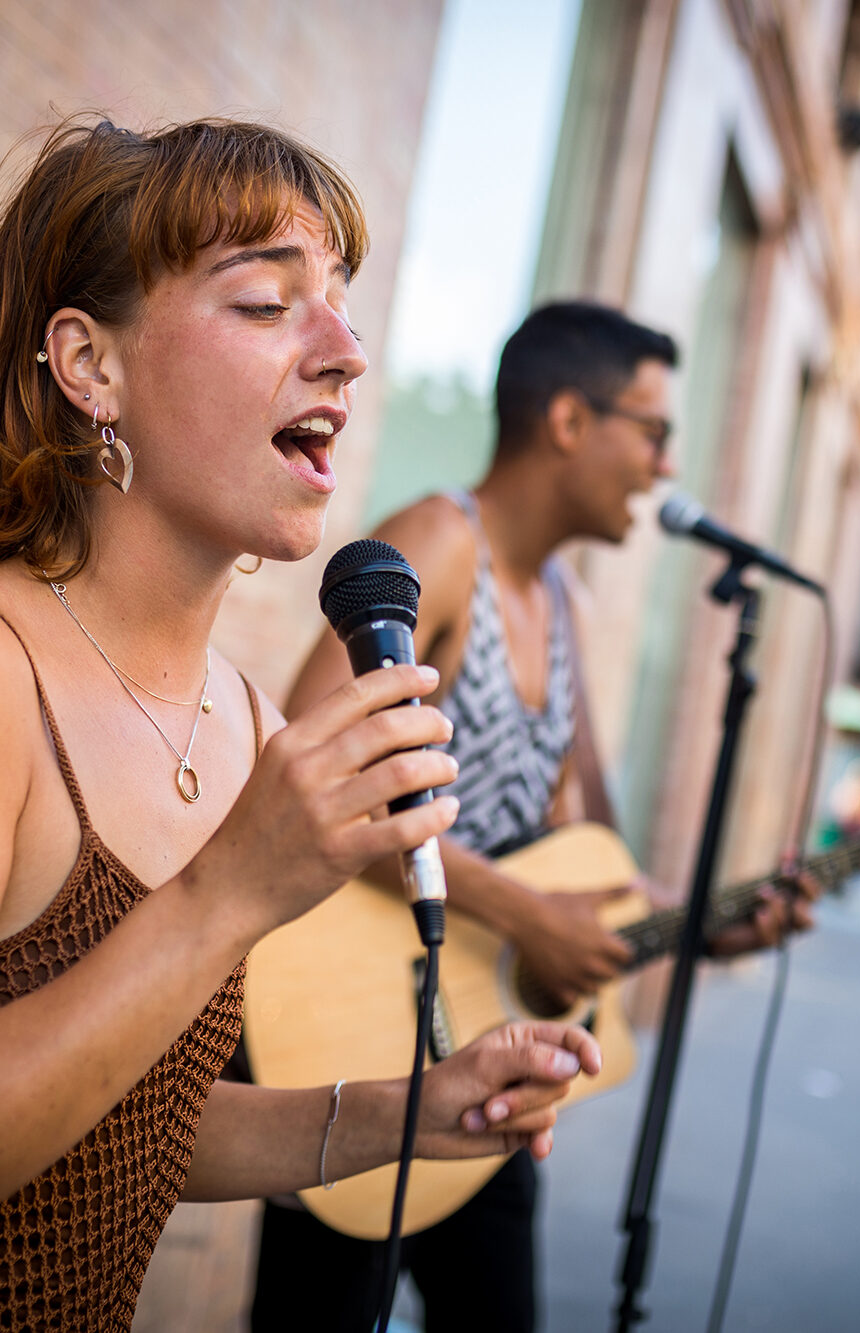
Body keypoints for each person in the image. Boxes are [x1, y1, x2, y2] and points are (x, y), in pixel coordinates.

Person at [0, 118, 604, 1331]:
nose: (343, 353)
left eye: (341, 308)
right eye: (269, 304)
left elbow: (132, 1119)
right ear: (90, 364)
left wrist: (412, 1111)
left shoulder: (248, 721)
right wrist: (227, 892)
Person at [277, 301, 819, 1332]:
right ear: (570, 420)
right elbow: (304, 780)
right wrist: (524, 915)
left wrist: (711, 921)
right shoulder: (438, 541)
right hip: (352, 1040)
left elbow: (595, 864)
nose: (666, 466)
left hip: (489, 1052)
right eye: (654, 432)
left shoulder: (562, 601)